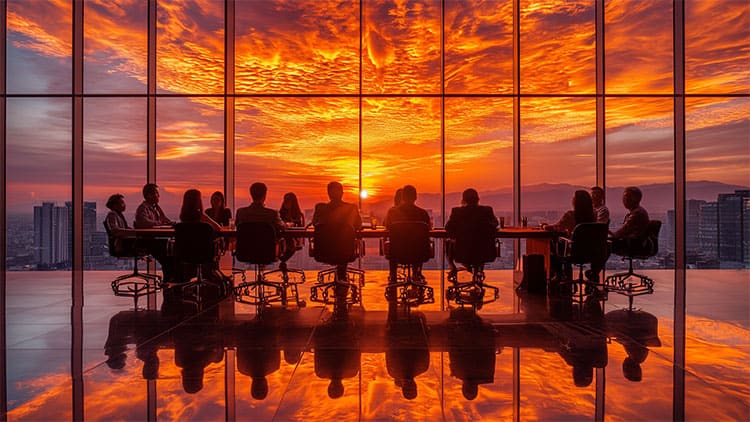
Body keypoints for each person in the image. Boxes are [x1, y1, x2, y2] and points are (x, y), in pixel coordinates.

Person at [543, 190, 596, 280]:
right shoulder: (593, 217)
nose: (572, 199)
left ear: (576, 201)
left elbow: (557, 227)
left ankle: (558, 274)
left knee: (552, 244)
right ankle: (564, 275)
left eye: (574, 198)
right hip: (589, 252)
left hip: (573, 251)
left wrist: (544, 226)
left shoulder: (570, 215)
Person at [444, 188, 499, 275]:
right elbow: (495, 224)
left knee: (448, 242)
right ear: (478, 199)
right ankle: (478, 272)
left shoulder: (457, 212)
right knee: (479, 253)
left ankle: (455, 269)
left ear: (463, 200)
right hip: (485, 251)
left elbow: (448, 227)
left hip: (463, 251)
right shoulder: (487, 210)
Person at [384, 185, 431, 282]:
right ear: (416, 197)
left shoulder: (392, 212)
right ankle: (416, 273)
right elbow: (428, 230)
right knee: (417, 245)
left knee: (393, 245)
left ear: (402, 197)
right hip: (418, 252)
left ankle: (393, 276)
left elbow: (387, 227)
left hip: (397, 251)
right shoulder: (423, 213)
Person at [133, 183, 175, 281]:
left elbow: (164, 220)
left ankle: (171, 277)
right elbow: (144, 223)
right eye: (157, 193)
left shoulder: (155, 208)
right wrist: (161, 224)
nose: (158, 196)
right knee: (167, 254)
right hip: (147, 241)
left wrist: (170, 223)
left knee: (170, 250)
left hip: (153, 239)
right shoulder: (143, 208)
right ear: (149, 195)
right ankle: (169, 278)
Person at [610, 186, 650, 254]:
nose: (624, 199)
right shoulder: (638, 211)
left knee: (602, 246)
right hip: (635, 243)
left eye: (627, 196)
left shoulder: (637, 213)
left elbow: (622, 232)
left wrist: (610, 235)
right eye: (624, 197)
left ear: (636, 199)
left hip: (633, 244)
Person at [279, 192, 305, 264]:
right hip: (282, 237)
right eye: (285, 200)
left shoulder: (298, 215)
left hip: (293, 238)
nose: (286, 202)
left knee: (290, 244)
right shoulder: (280, 213)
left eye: (289, 200)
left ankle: (283, 261)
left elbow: (300, 229)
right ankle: (282, 261)